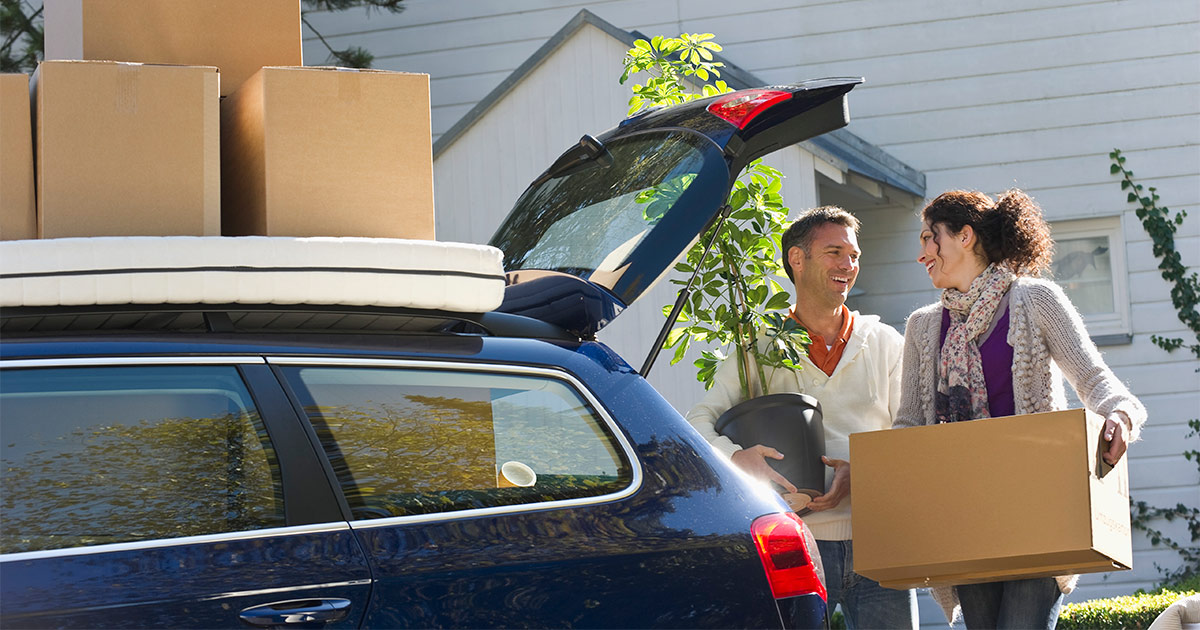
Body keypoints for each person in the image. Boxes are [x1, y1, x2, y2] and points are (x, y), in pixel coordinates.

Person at [894, 189, 1147, 629]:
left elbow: (1094, 378)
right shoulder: (922, 326)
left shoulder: (1034, 300)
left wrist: (1120, 415)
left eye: (928, 238)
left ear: (965, 236)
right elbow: (910, 426)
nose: (922, 255)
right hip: (965, 514)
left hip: (1039, 506)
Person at [686, 206, 918, 630]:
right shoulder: (757, 344)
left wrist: (862, 472)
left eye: (854, 255)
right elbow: (698, 421)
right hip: (794, 541)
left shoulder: (885, 342)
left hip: (882, 538)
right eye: (834, 252)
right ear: (797, 259)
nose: (848, 265)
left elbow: (913, 432)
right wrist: (738, 458)